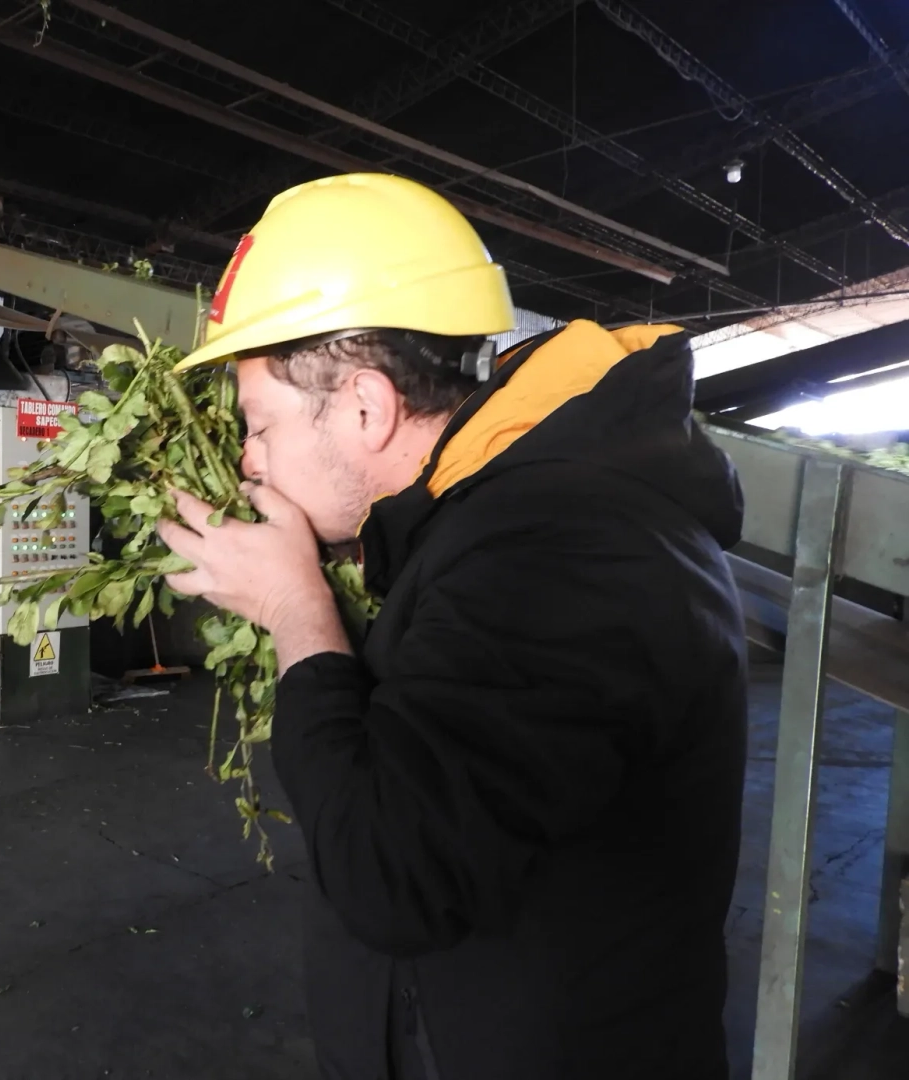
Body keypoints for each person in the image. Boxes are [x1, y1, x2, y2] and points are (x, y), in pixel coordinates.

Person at [157, 174, 748, 1080]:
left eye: (260, 426)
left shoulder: (568, 554)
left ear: (366, 406)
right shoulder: (475, 525)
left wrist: (295, 609)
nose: (248, 461)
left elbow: (395, 876)